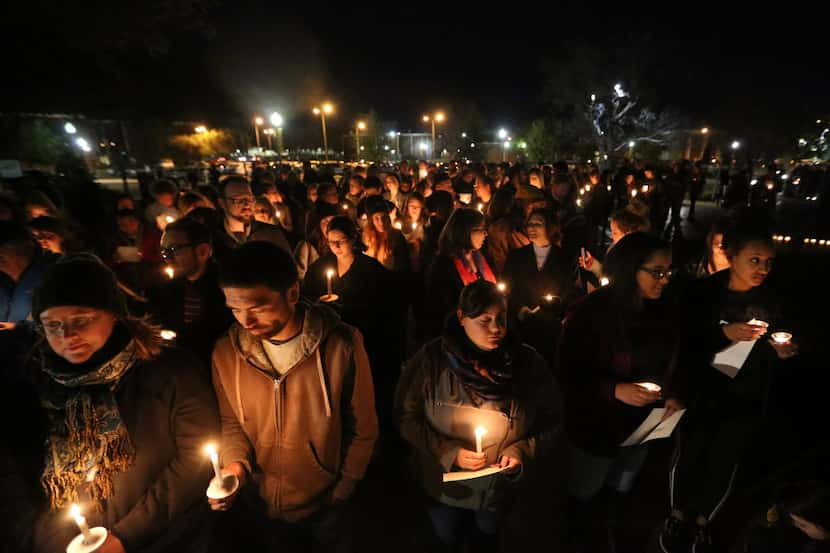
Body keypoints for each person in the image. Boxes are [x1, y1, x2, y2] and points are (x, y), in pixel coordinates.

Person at [18, 255, 219, 553]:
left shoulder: (169, 370)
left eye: (81, 320)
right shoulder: (38, 384)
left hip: (167, 539)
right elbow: (29, 476)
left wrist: (126, 536)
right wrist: (52, 540)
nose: (67, 335)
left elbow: (193, 461)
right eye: (53, 325)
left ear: (114, 313)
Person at [210, 242, 378, 552]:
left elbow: (363, 428)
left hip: (327, 504)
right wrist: (234, 467)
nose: (245, 321)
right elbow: (232, 422)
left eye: (257, 307)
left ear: (292, 293)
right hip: (260, 502)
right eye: (234, 308)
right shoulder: (226, 352)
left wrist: (343, 488)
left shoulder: (341, 346)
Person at [659, 223, 799, 553]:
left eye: (768, 262)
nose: (763, 268)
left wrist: (784, 349)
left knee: (726, 459)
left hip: (747, 395)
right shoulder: (702, 294)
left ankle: (703, 521)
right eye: (755, 260)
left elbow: (784, 333)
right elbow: (685, 342)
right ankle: (677, 515)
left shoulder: (772, 297)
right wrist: (724, 334)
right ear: (731, 257)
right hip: (702, 390)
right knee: (691, 453)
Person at [396, 281, 561, 551]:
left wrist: (521, 450)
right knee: (444, 536)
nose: (496, 328)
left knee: (485, 539)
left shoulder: (527, 364)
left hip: (496, 491)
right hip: (443, 487)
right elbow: (405, 418)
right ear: (462, 317)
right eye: (485, 320)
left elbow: (552, 419)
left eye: (501, 319)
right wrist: (449, 452)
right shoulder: (432, 361)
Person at [559, 232, 685, 548]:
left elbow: (673, 361)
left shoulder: (664, 310)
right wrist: (614, 389)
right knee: (585, 493)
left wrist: (671, 394)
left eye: (669, 271)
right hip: (596, 427)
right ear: (630, 268)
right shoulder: (590, 313)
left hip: (642, 426)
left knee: (620, 488)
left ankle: (606, 533)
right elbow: (567, 373)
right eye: (657, 271)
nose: (665, 279)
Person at [146, 218, 233, 368]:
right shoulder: (166, 288)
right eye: (164, 252)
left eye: (173, 250)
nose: (168, 258)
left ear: (202, 251)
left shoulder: (229, 288)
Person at [502, 208, 577, 365]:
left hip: (552, 328)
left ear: (550, 227)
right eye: (529, 224)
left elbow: (571, 291)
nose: (531, 228)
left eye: (538, 224)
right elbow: (508, 289)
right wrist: (519, 308)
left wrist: (557, 308)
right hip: (523, 329)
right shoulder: (516, 257)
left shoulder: (566, 258)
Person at [424, 208, 496, 341]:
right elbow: (441, 307)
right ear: (465, 232)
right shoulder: (443, 265)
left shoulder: (481, 257)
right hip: (459, 334)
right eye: (480, 229)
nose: (485, 234)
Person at [213, 177, 291, 262]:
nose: (247, 204)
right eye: (239, 200)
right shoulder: (214, 239)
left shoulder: (271, 234)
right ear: (222, 203)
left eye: (250, 199)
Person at [0, 220, 59, 328]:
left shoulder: (54, 275)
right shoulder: (4, 286)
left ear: (27, 244)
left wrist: (18, 328)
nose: (1, 253)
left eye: (4, 247)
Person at [362, 197, 410, 273]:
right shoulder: (365, 238)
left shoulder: (397, 237)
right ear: (371, 221)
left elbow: (403, 265)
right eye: (376, 218)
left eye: (384, 217)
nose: (381, 222)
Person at [294, 203, 339, 281]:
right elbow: (298, 276)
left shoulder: (339, 245)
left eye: (333, 221)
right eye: (326, 222)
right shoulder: (306, 246)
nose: (330, 226)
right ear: (317, 224)